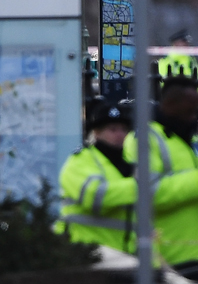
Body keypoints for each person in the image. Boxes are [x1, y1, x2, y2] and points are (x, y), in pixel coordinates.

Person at [124, 75, 198, 266]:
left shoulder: (189, 141)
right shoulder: (145, 140)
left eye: (196, 112)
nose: (194, 118)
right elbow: (148, 194)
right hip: (164, 260)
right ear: (168, 105)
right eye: (189, 111)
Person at [55, 98, 137, 251]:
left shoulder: (128, 163)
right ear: (97, 133)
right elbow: (95, 197)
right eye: (112, 129)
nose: (120, 134)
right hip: (84, 252)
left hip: (122, 253)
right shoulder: (80, 161)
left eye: (124, 130)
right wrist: (141, 186)